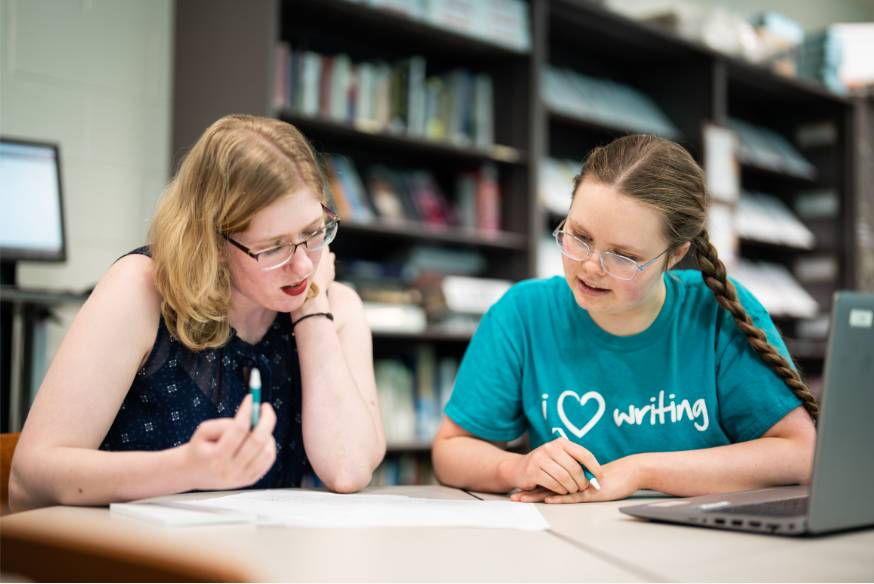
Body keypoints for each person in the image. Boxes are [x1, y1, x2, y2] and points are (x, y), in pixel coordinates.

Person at [10, 115, 385, 511]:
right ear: (213, 240)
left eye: (313, 232)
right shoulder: (141, 289)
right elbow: (29, 478)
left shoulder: (336, 306)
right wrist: (184, 469)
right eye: (273, 247)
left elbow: (348, 469)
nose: (304, 267)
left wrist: (311, 307)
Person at [432, 134, 817, 504]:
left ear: (675, 254)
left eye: (623, 257)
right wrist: (517, 467)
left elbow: (800, 452)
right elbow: (450, 451)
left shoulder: (717, 312)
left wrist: (641, 471)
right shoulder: (523, 312)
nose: (589, 266)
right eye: (579, 236)